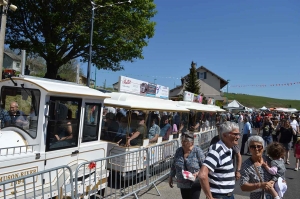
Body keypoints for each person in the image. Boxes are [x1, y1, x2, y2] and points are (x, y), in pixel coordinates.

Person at [199, 121, 240, 199]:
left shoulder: (228, 149)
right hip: (219, 196)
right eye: (235, 134)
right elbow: (202, 175)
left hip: (228, 195)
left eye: (238, 134)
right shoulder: (216, 150)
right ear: (224, 135)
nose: (238, 137)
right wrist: (210, 197)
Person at [169, 132, 205, 199]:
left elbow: (204, 167)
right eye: (182, 141)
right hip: (183, 183)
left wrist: (197, 173)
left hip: (195, 183)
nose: (183, 143)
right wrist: (171, 176)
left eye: (185, 141)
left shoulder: (198, 151)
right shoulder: (179, 151)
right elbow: (174, 164)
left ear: (191, 142)